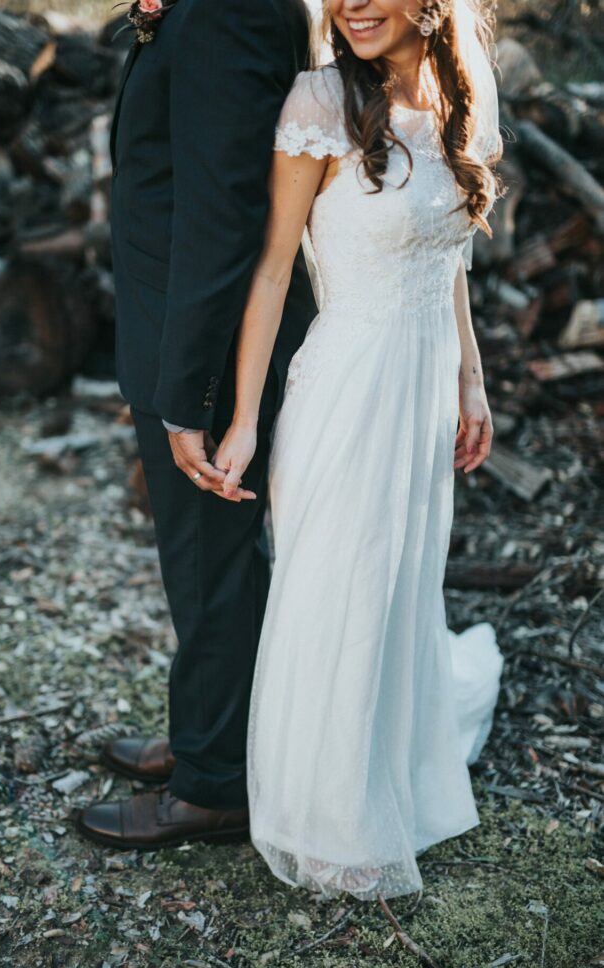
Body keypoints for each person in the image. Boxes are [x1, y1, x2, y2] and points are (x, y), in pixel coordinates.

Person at [209, 0, 506, 900]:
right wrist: (245, 421)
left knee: (399, 583)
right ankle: (330, 816)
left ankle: (391, 770)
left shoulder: (455, 102)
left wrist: (470, 378)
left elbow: (445, 258)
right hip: (345, 386)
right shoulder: (318, 102)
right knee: (338, 590)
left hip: (420, 391)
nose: (352, 4)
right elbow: (270, 268)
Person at [75, 0, 317, 851]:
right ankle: (210, 734)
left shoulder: (230, 12)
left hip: (205, 352)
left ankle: (214, 785)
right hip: (172, 330)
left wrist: (192, 393)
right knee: (202, 565)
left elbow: (224, 216)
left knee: (212, 565)